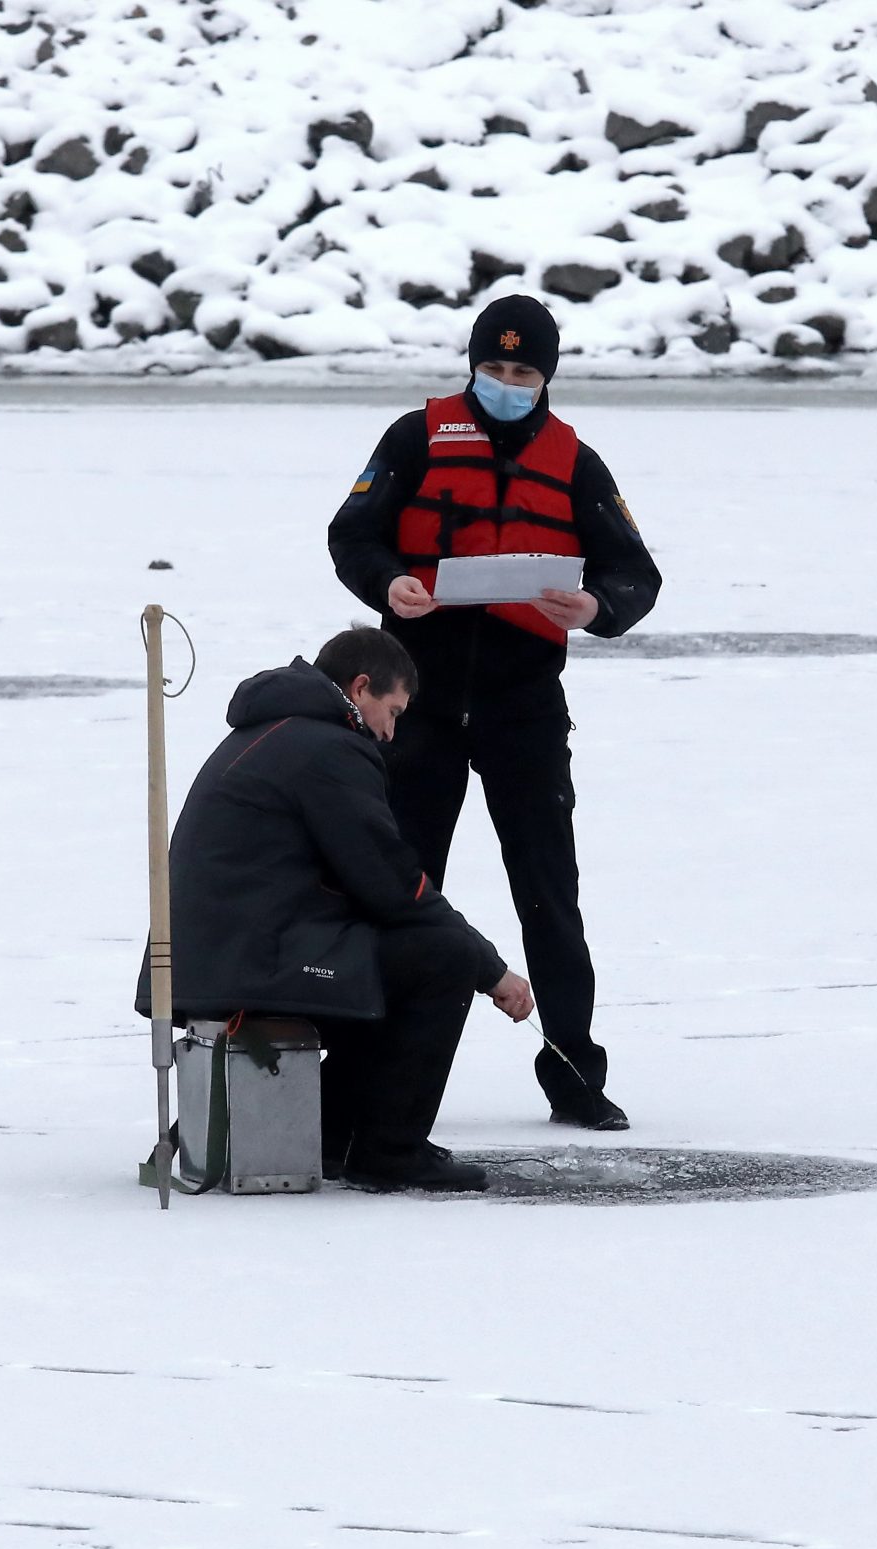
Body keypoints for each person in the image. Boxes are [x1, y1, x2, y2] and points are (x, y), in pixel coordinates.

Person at [326, 293, 660, 1132]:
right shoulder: (414, 438)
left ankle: (575, 1072)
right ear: (471, 366)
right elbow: (352, 534)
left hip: (524, 709)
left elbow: (636, 575)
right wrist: (388, 583)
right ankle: (373, 1067)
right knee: (401, 887)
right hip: (418, 706)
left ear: (545, 378)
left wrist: (596, 607)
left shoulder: (576, 462)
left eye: (523, 372)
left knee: (549, 891)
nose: (506, 384)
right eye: (494, 369)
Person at [144, 626, 535, 1194]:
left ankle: (327, 1135)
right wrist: (489, 968)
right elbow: (392, 884)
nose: (391, 730)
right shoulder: (327, 748)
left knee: (379, 960)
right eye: (393, 710)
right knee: (440, 957)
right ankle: (391, 1153)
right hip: (250, 963)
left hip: (212, 958)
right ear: (360, 686)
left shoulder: (277, 730)